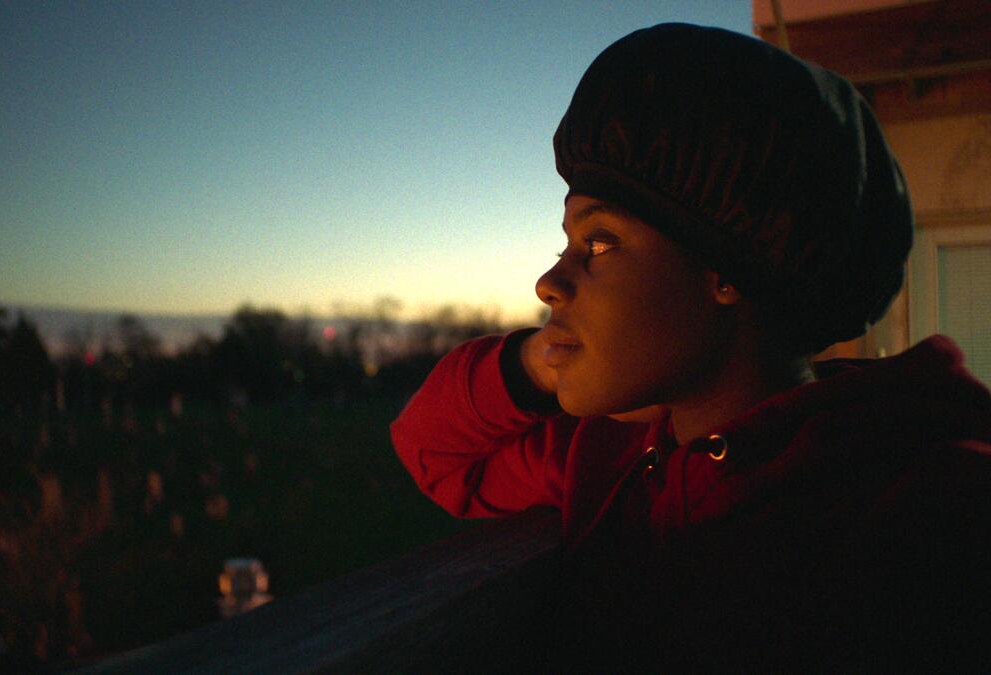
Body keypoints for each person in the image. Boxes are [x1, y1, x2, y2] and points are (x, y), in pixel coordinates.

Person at [391, 23, 991, 671]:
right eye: (565, 243)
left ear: (728, 269)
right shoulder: (607, 454)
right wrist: (531, 362)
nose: (547, 281)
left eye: (597, 244)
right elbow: (436, 452)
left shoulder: (926, 513)